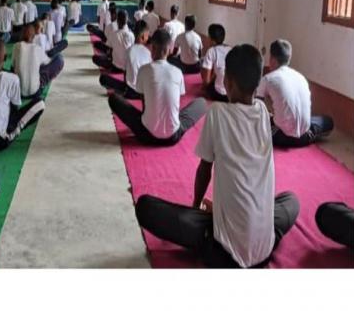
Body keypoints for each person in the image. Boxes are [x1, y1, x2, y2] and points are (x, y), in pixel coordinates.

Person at [135, 44, 300, 268]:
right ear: (258, 83)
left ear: (227, 82)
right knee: (291, 201)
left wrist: (195, 208)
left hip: (224, 252)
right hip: (264, 248)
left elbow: (204, 170)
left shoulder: (218, 113)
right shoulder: (263, 112)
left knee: (146, 207)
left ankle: (217, 227)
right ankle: (242, 222)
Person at [108, 29, 207, 146]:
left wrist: (150, 120)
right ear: (169, 50)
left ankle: (152, 123)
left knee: (113, 99)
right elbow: (176, 102)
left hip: (146, 135)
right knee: (202, 103)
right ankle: (169, 124)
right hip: (173, 136)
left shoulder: (143, 70)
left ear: (152, 49)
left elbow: (144, 102)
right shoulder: (178, 72)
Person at [256, 39, 334, 147]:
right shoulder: (301, 77)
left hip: (281, 136)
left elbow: (256, 109)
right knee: (327, 121)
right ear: (288, 59)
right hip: (305, 136)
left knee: (259, 123)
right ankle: (310, 133)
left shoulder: (267, 79)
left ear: (272, 59)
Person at [99, 20, 150, 100]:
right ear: (143, 36)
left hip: (130, 90)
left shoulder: (128, 50)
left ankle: (124, 92)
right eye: (148, 35)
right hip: (143, 92)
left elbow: (125, 72)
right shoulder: (148, 53)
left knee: (104, 79)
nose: (148, 38)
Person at [12, 23, 64, 98]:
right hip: (35, 91)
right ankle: (42, 83)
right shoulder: (37, 48)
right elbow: (47, 62)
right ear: (34, 36)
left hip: (19, 93)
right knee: (59, 58)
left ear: (22, 35)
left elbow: (13, 66)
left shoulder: (16, 46)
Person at [201, 24, 231, 102]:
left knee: (203, 67)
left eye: (208, 36)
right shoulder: (230, 49)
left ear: (212, 40)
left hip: (220, 94)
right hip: (232, 95)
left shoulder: (211, 51)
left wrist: (205, 86)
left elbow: (207, 81)